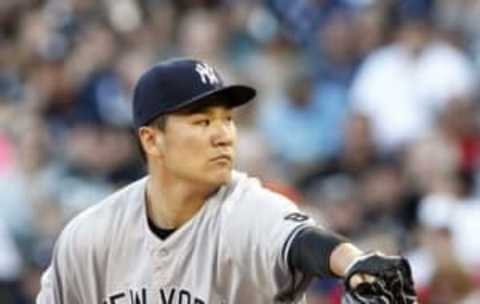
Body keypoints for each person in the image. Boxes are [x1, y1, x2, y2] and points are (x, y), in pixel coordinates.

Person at [37, 58, 415, 303]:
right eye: (202, 122)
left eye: (227, 119)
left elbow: (301, 242)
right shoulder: (91, 237)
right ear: (152, 139)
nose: (224, 135)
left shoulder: (244, 207)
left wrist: (354, 262)